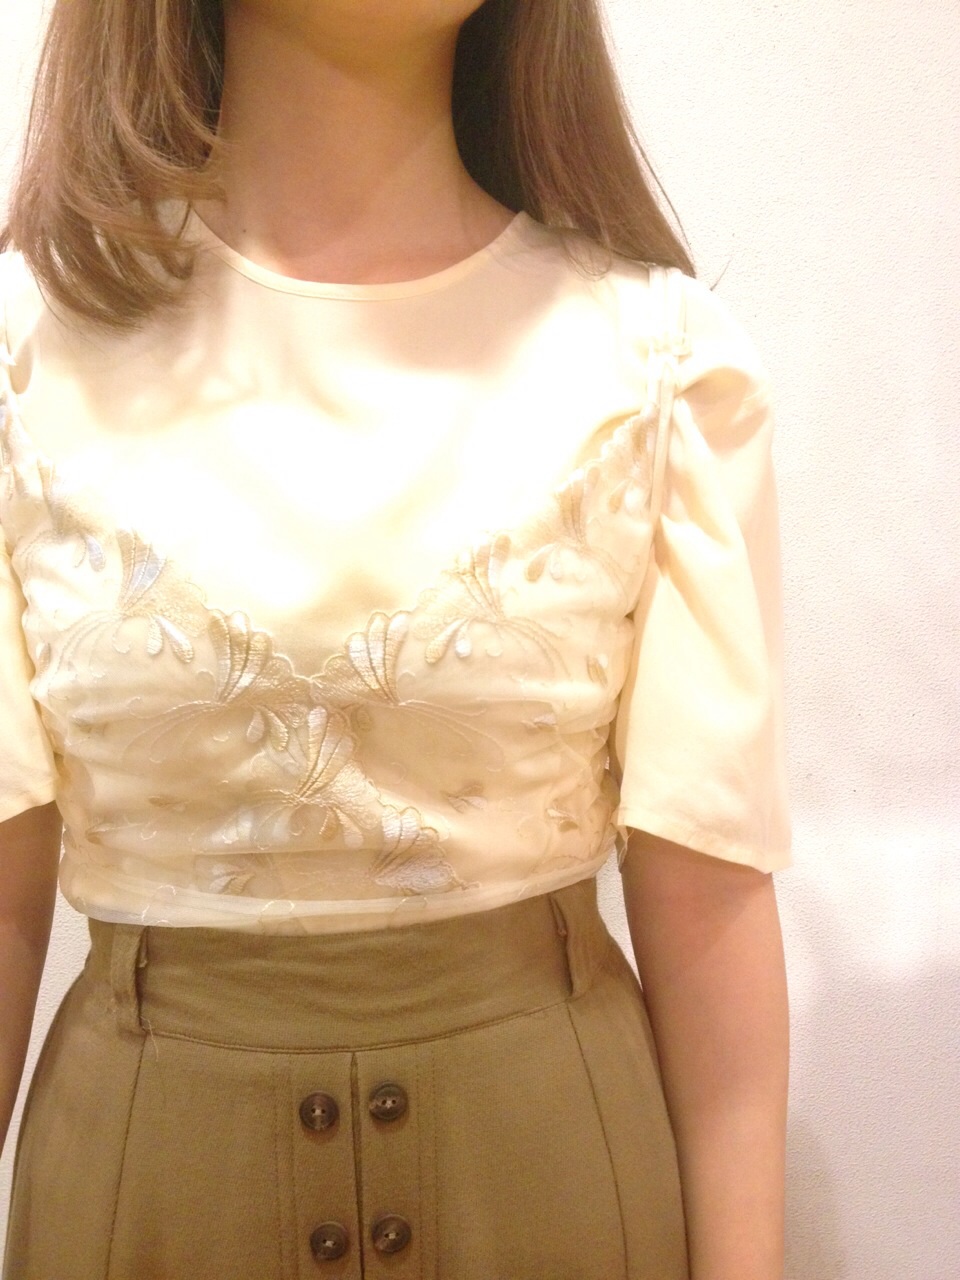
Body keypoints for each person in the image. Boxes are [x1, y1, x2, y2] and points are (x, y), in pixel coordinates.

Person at [0, 1, 793, 1277]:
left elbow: (705, 887)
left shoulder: (654, 367)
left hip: (552, 1186)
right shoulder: (26, 360)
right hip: (147, 1200)